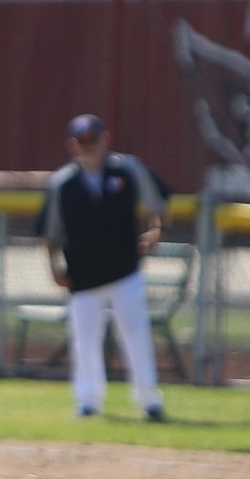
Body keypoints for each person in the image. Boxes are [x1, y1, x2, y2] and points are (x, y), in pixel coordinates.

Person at [42, 114, 167, 422]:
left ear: (105, 138)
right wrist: (53, 266)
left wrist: (155, 229)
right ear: (72, 145)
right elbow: (51, 232)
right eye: (82, 142)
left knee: (135, 335)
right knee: (85, 341)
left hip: (124, 270)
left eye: (93, 139)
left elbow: (157, 205)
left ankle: (148, 400)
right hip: (83, 275)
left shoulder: (127, 170)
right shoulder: (63, 183)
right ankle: (88, 401)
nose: (89, 147)